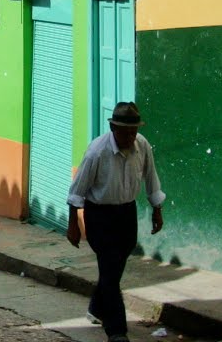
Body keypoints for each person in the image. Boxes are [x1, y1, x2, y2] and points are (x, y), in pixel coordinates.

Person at [67, 102, 165, 342]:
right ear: (113, 128)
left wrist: (157, 209)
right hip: (100, 215)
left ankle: (96, 307)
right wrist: (73, 226)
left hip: (126, 212)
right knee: (110, 270)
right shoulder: (96, 152)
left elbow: (152, 178)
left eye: (134, 131)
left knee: (114, 268)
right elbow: (77, 190)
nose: (131, 137)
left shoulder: (142, 146)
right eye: (126, 132)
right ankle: (116, 330)